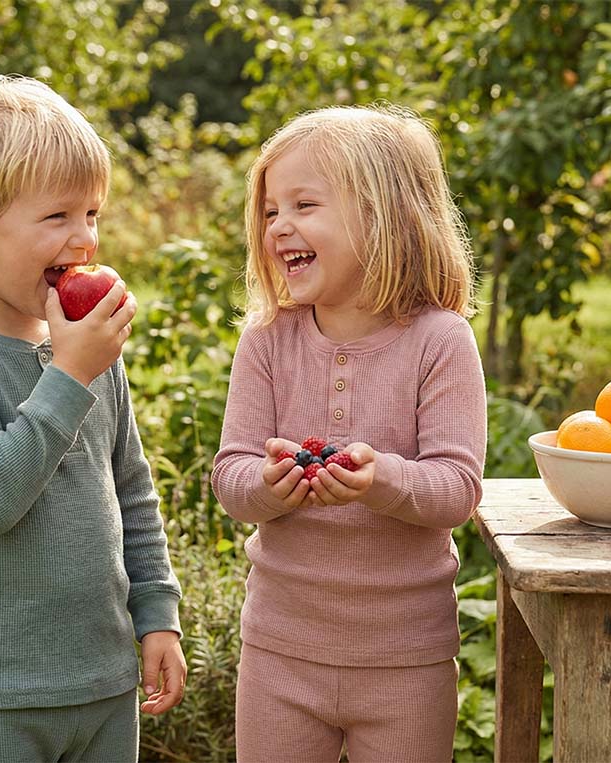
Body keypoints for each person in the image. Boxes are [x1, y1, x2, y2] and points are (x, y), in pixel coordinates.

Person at [0, 74, 185, 763]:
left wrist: (158, 615)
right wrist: (71, 373)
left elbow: (131, 491)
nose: (84, 239)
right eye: (57, 217)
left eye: (92, 214)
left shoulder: (83, 343)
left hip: (105, 688)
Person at [211, 104, 487, 762]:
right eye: (271, 209)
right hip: (280, 652)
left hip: (406, 661)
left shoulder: (439, 341)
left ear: (383, 214)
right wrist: (270, 484)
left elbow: (457, 487)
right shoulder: (268, 342)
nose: (280, 226)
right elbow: (232, 476)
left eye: (304, 204)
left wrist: (380, 478)